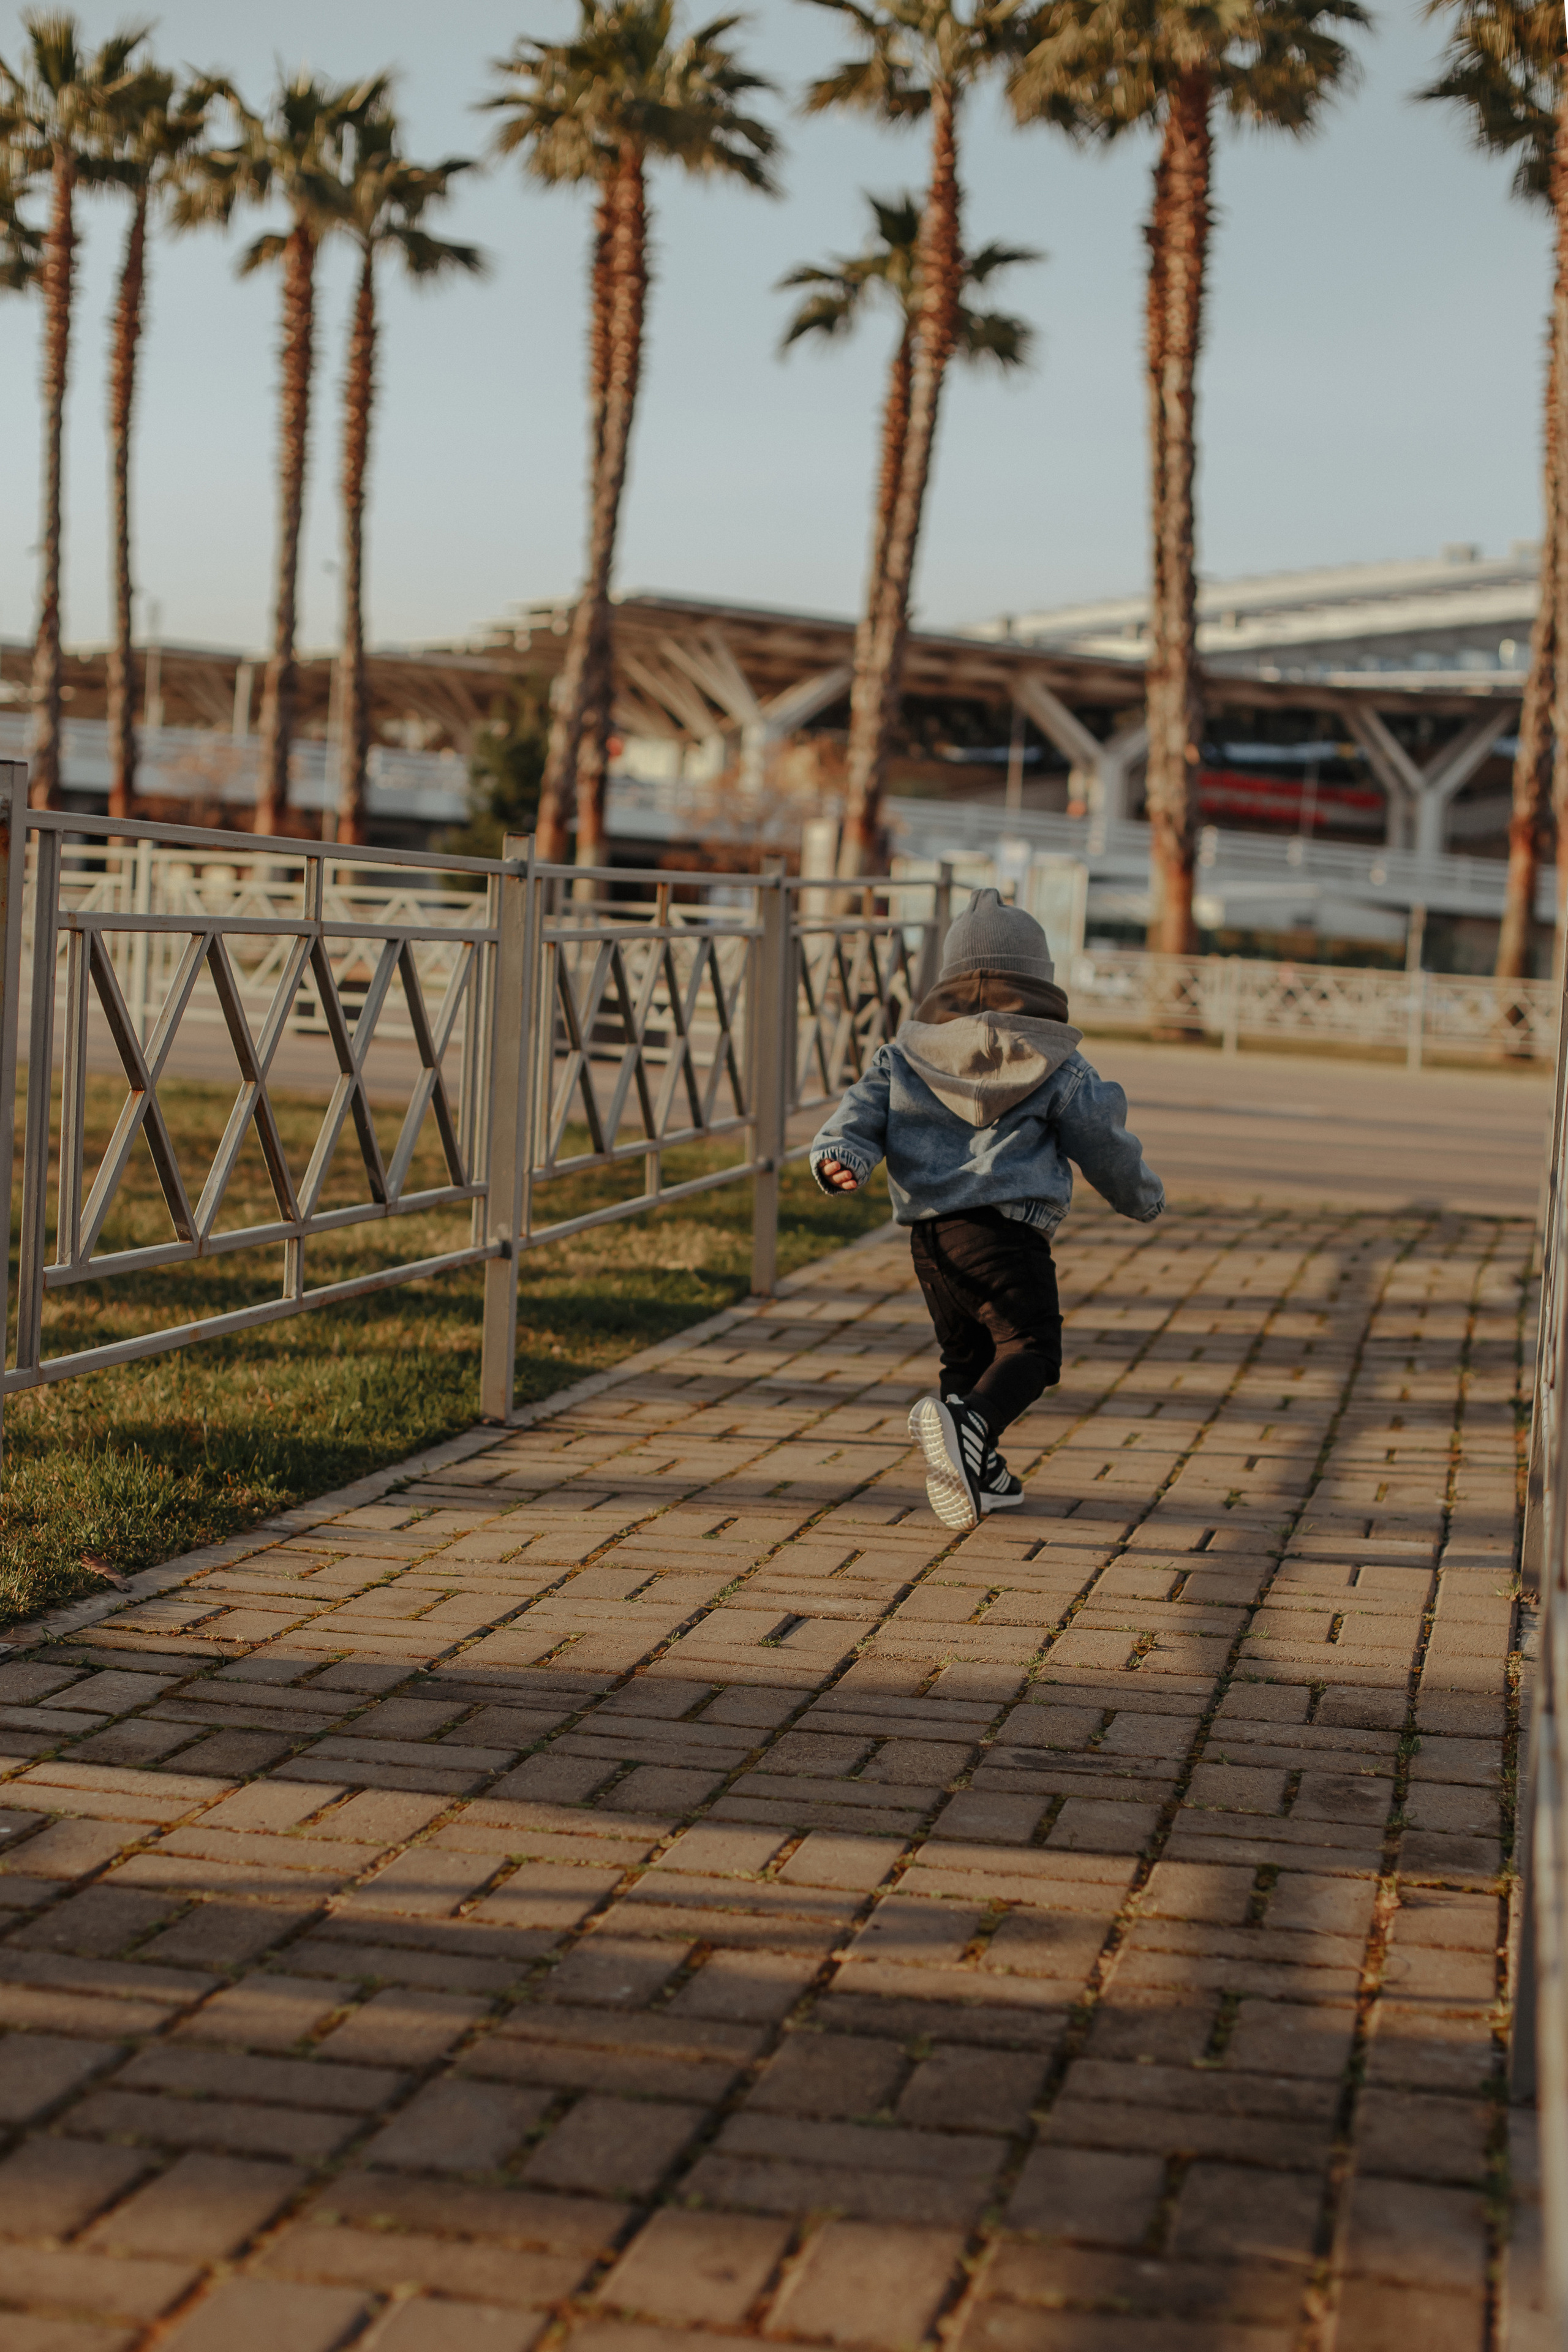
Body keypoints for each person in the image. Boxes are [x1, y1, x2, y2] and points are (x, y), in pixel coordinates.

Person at [811, 886, 1164, 1531]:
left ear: (945, 982)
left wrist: (843, 1159)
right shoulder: (1058, 1065)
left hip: (932, 1242)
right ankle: (969, 1425)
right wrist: (1143, 1198)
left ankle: (981, 1472)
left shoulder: (904, 1057)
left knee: (968, 1360)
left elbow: (856, 1115)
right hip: (1008, 1234)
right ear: (1040, 982)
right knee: (1030, 1349)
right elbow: (1103, 1145)